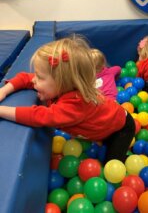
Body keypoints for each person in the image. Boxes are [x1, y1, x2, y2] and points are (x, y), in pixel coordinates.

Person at [0, 37, 135, 164]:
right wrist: (3, 91)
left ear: (62, 82)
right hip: (105, 121)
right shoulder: (59, 87)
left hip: (122, 127)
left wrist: (2, 110)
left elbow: (39, 116)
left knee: (112, 163)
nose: (34, 80)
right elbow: (25, 78)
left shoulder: (75, 104)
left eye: (40, 77)